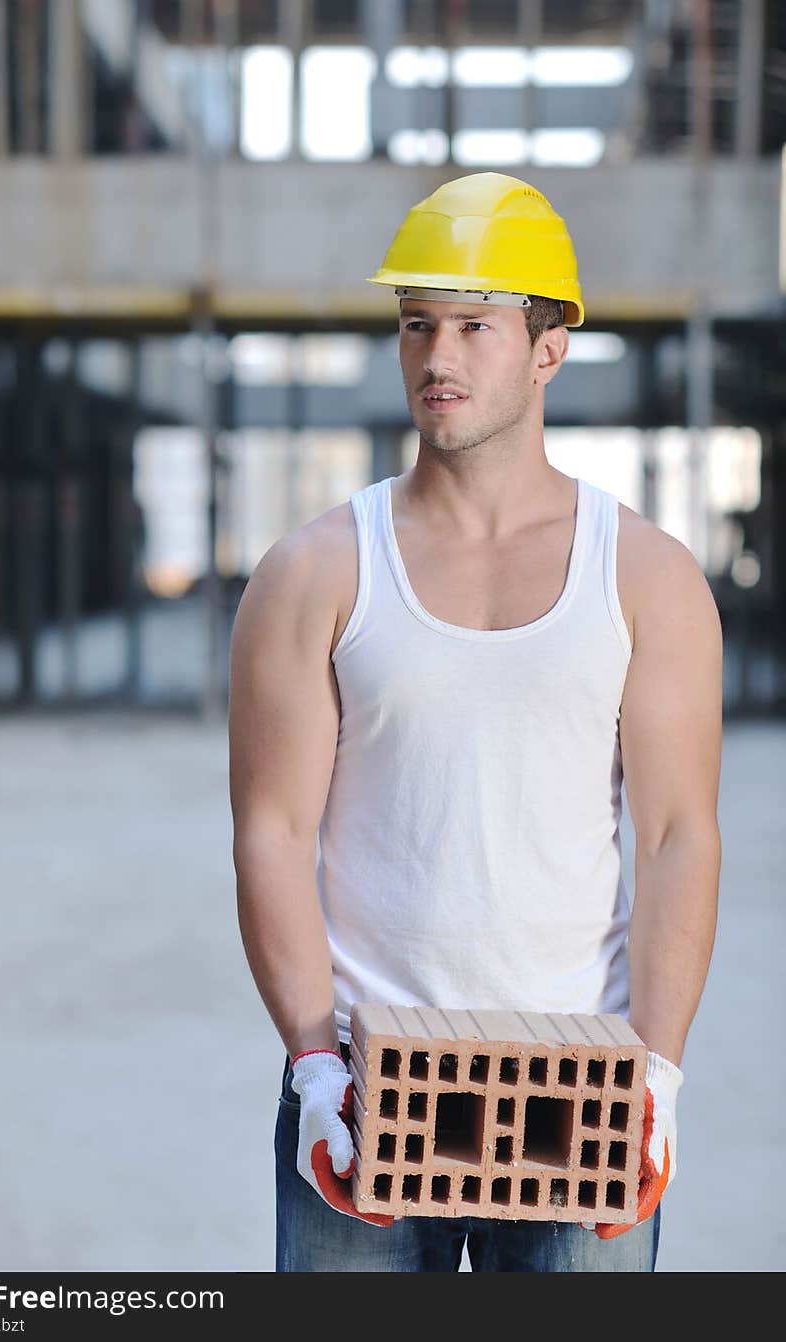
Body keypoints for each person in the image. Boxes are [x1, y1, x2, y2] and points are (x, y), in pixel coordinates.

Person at [227, 172, 722, 1272]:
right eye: (416, 324)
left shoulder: (645, 576)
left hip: (579, 1091)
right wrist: (313, 1067)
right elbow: (270, 831)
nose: (435, 357)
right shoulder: (316, 572)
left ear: (547, 349)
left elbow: (677, 835)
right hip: (365, 1086)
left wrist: (661, 1072)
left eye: (472, 326)